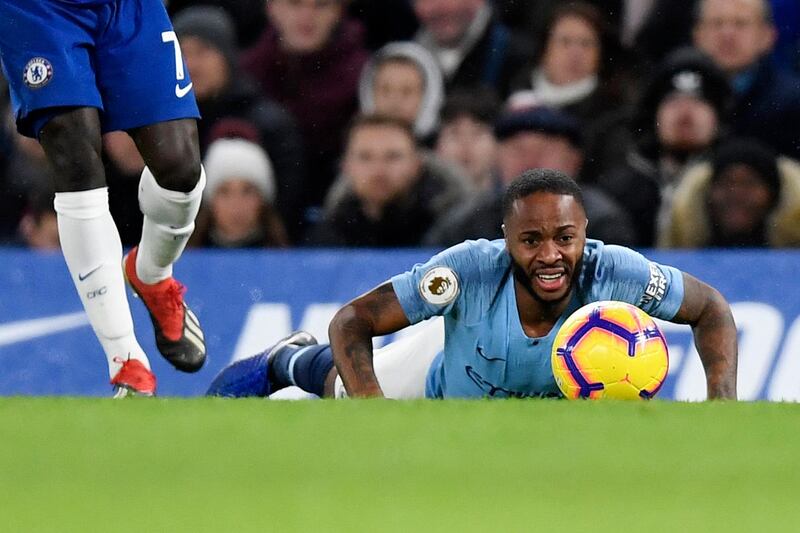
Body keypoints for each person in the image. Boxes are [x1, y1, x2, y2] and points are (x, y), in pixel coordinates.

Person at [207, 169, 738, 400]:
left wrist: (721, 405)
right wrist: (370, 406)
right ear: (505, 238)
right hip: (440, 374)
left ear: (585, 235)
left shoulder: (615, 273)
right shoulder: (468, 271)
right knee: (340, 393)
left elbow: (711, 308)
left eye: (565, 238)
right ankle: (288, 358)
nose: (551, 255)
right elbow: (353, 320)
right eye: (531, 240)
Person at [0, 0, 208, 396]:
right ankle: (125, 359)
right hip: (36, 11)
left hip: (128, 8)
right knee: (74, 153)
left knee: (179, 167)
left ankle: (152, 274)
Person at [424, 105, 635, 247]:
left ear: (573, 160)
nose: (529, 162)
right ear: (498, 158)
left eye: (544, 150)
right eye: (518, 150)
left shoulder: (602, 222)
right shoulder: (465, 222)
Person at [597, 47, 732, 247]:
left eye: (698, 102)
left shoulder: (734, 183)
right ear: (654, 117)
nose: (685, 112)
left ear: (718, 119)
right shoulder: (621, 189)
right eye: (673, 102)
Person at [307, 114, 468, 247]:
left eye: (392, 157)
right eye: (365, 157)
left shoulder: (455, 233)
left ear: (416, 165)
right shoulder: (326, 239)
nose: (379, 170)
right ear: (346, 166)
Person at [693, 0, 800, 160]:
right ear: (697, 35)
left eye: (740, 24)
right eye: (717, 23)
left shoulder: (793, 102)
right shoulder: (675, 93)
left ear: (767, 36)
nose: (727, 34)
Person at [658, 137, 800, 248]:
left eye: (749, 184)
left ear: (774, 195)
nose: (736, 194)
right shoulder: (678, 265)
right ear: (706, 194)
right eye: (726, 183)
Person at [189, 137, 289, 248]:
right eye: (224, 192)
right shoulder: (180, 259)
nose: (236, 204)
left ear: (262, 200)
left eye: (247, 191)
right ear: (211, 202)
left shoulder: (287, 258)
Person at [358, 41, 444, 142]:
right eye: (385, 90)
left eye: (407, 92)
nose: (394, 101)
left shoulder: (441, 155)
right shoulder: (352, 152)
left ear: (428, 98)